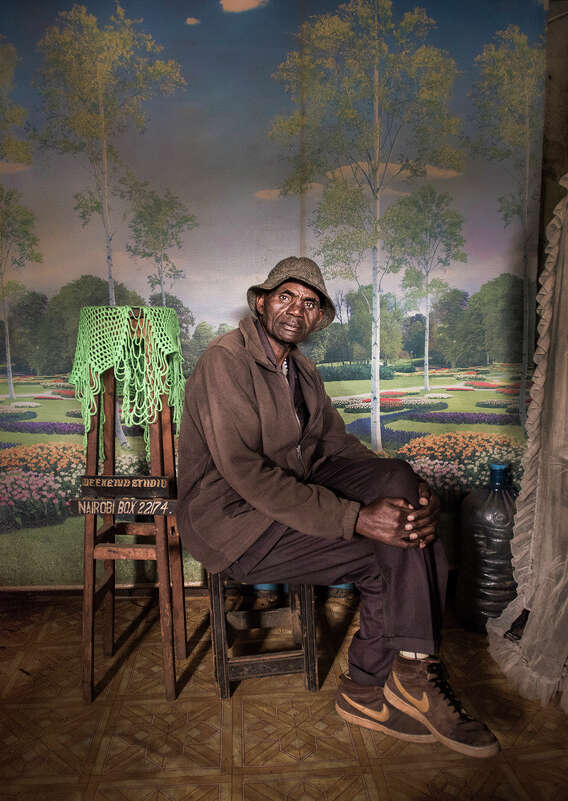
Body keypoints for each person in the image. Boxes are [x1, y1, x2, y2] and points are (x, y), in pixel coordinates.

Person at [177, 256, 500, 758]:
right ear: (262, 302)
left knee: (402, 505)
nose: (295, 310)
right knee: (389, 551)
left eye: (309, 303)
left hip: (290, 497)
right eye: (285, 296)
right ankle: (380, 684)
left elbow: (334, 445)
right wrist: (356, 518)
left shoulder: (301, 369)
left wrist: (410, 489)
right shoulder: (225, 361)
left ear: (317, 317)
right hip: (237, 524)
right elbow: (247, 473)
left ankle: (392, 680)